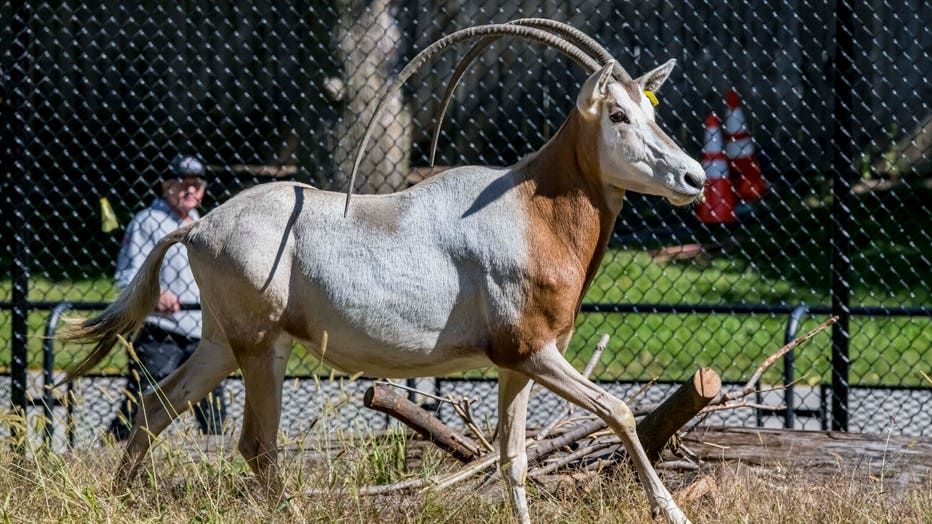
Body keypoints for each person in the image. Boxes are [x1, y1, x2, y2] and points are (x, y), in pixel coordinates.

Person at [107, 154, 227, 440]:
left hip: (201, 328)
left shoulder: (203, 222)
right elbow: (126, 275)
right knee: (146, 397)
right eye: (181, 183)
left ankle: (217, 457)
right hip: (161, 329)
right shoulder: (148, 221)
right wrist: (155, 295)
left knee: (212, 402)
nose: (190, 190)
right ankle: (112, 450)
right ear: (164, 186)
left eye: (196, 184)